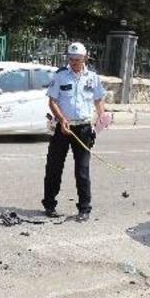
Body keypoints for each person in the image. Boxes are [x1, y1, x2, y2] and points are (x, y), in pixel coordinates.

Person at [42, 42, 106, 222]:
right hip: (63, 127)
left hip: (83, 128)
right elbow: (52, 101)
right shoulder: (61, 76)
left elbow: (98, 100)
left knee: (82, 171)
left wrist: (102, 117)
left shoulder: (93, 78)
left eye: (77, 60)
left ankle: (84, 208)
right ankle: (49, 204)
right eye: (71, 59)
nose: (74, 63)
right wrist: (62, 120)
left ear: (85, 58)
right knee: (54, 167)